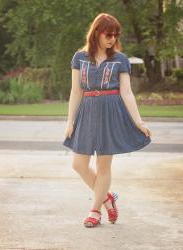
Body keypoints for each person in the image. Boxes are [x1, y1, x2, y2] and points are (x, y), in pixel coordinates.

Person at [63, 13, 152, 228]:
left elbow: (127, 92)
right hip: (87, 110)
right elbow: (76, 91)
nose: (112, 38)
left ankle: (95, 210)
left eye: (115, 35)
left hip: (111, 112)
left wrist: (139, 121)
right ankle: (106, 197)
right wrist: (70, 121)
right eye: (108, 34)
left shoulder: (120, 60)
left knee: (103, 166)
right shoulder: (79, 58)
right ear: (96, 33)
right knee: (78, 164)